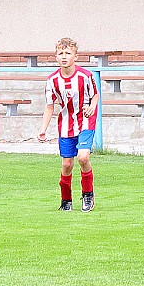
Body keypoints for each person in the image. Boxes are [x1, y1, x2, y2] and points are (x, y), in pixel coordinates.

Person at [37, 38, 100, 212]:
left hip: (86, 122)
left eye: (68, 53)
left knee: (83, 157)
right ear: (56, 57)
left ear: (76, 56)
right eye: (60, 53)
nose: (64, 57)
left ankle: (88, 194)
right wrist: (43, 129)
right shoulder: (52, 80)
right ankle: (66, 200)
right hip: (66, 125)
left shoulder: (85, 76)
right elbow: (49, 106)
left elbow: (95, 95)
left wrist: (91, 107)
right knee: (67, 165)